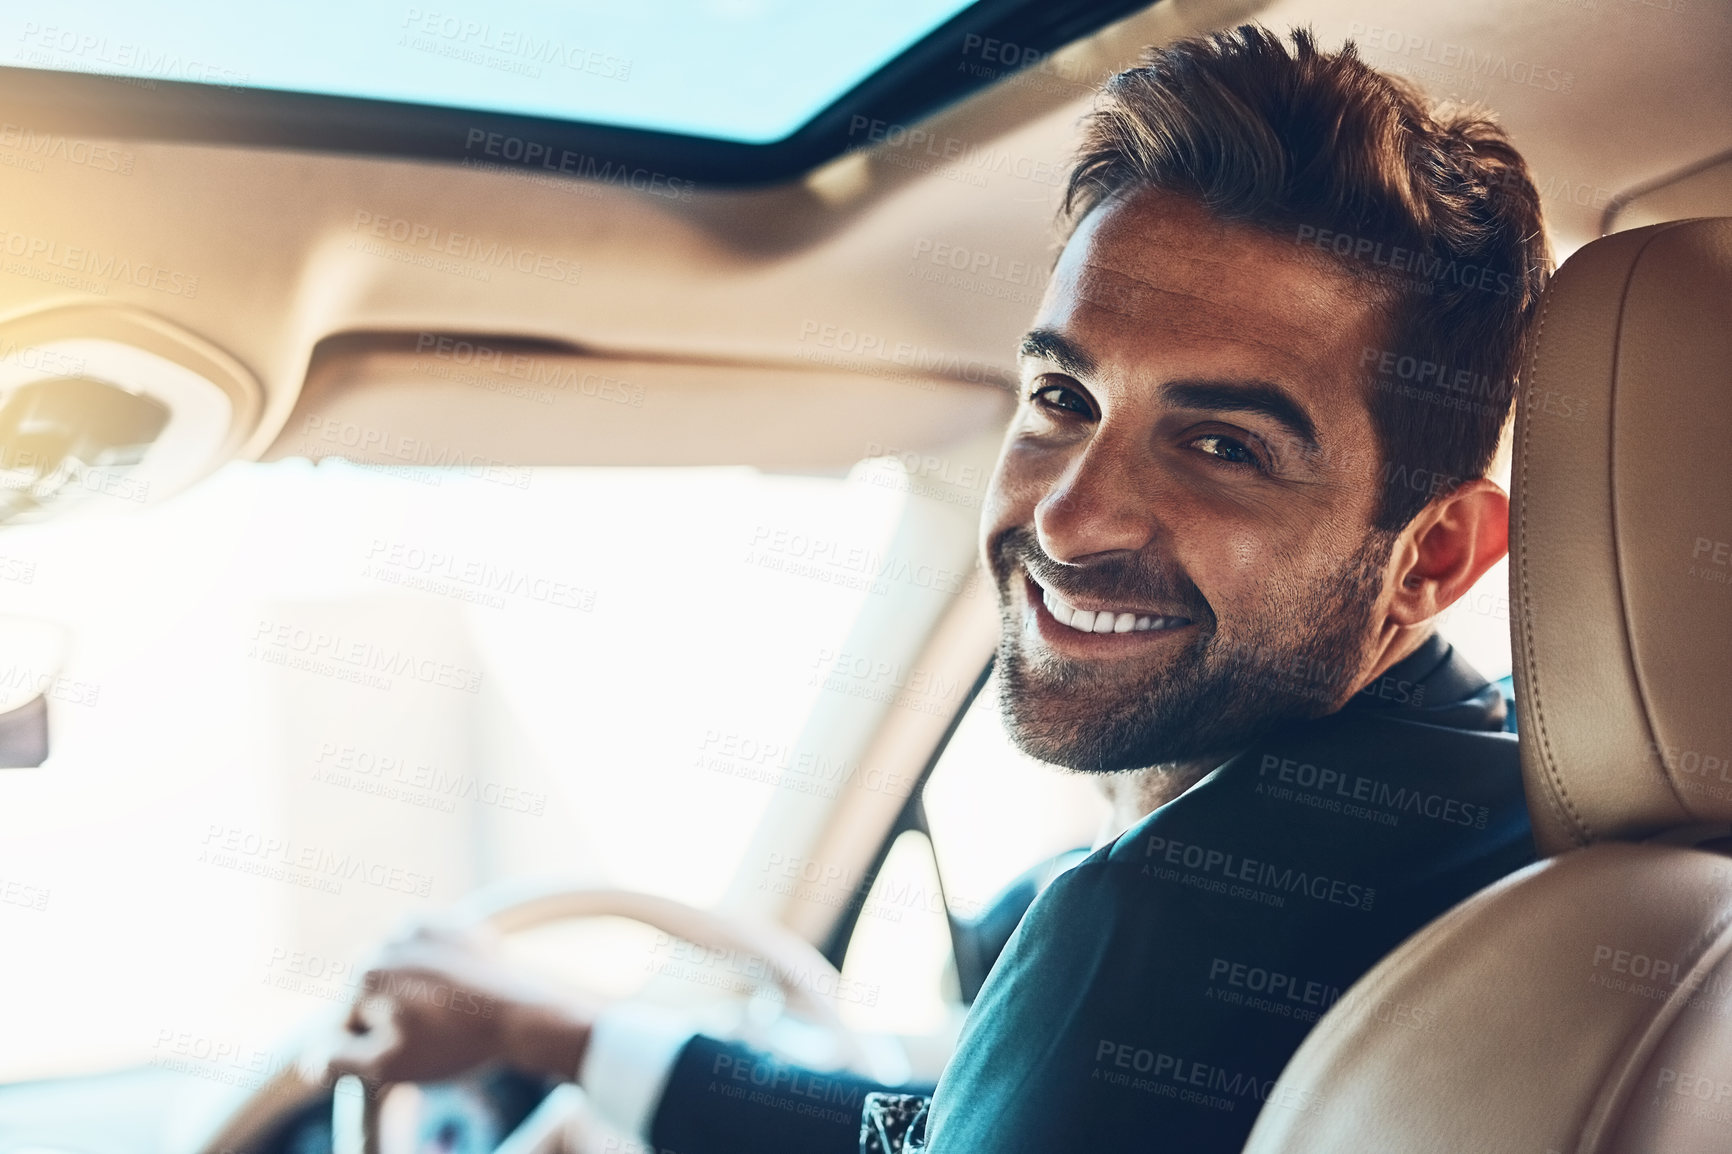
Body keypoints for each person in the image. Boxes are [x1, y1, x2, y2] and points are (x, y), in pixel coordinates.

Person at [327, 25, 1550, 1152]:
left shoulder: (1156, 924)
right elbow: (966, 1119)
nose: (1069, 515)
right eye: (1063, 400)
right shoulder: (1505, 814)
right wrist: (570, 1036)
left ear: (1433, 554)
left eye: (1223, 445)